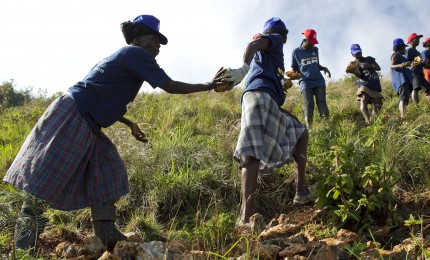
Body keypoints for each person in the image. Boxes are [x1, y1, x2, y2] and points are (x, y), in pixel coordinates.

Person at [3, 14, 226, 251]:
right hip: (74, 115)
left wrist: (129, 123)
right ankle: (23, 248)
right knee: (45, 178)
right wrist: (209, 85)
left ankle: (106, 232)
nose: (159, 45)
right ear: (138, 37)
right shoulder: (135, 54)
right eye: (155, 38)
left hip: (86, 119)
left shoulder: (126, 57)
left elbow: (101, 93)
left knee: (108, 168)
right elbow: (168, 85)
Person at [222, 17, 311, 226]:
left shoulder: (269, 58)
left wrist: (281, 85)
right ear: (282, 35)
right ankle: (245, 219)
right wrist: (243, 68)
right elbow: (253, 44)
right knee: (251, 154)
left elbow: (263, 65)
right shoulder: (274, 39)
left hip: (264, 99)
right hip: (259, 97)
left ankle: (301, 191)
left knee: (300, 131)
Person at [291, 29, 331, 127]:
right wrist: (295, 74)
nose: (313, 44)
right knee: (308, 104)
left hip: (318, 80)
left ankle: (327, 126)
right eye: (311, 42)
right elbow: (294, 68)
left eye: (314, 42)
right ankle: (310, 129)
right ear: (306, 40)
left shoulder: (315, 50)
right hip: (305, 81)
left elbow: (316, 65)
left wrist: (324, 68)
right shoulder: (296, 52)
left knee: (321, 102)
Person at [347, 44, 383, 124]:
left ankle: (373, 119)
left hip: (374, 83)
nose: (358, 54)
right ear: (352, 54)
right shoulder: (354, 64)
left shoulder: (369, 59)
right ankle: (368, 121)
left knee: (378, 103)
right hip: (364, 83)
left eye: (359, 52)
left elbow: (378, 68)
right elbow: (360, 76)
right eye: (355, 53)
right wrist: (353, 72)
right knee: (364, 100)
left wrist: (370, 66)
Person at [405, 33, 430, 110]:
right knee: (415, 88)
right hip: (414, 72)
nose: (419, 40)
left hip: (420, 73)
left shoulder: (418, 52)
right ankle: (417, 108)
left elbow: (419, 63)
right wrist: (411, 64)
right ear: (411, 40)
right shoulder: (409, 50)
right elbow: (406, 62)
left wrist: (424, 63)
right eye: (417, 39)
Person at [390, 38, 413, 118]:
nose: (405, 49)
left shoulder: (401, 57)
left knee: (404, 98)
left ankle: (404, 116)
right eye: (403, 47)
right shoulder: (396, 55)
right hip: (401, 80)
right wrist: (402, 65)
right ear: (399, 47)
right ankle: (403, 117)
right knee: (403, 99)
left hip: (405, 80)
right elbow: (392, 66)